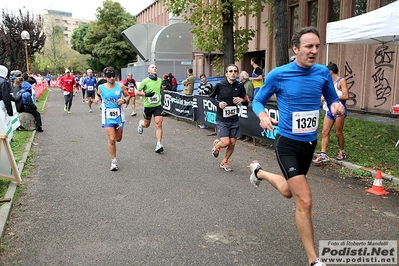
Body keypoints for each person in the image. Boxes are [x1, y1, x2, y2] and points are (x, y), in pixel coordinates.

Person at [249, 27, 344, 266]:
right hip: (287, 143)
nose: (313, 51)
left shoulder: (322, 73)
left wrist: (335, 106)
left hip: (309, 144)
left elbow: (332, 98)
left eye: (317, 47)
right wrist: (262, 115)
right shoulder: (279, 74)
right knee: (305, 199)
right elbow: (258, 101)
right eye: (308, 46)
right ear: (295, 48)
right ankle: (314, 260)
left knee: (288, 191)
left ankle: (258, 172)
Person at [209, 64, 249, 172]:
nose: (233, 73)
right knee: (225, 142)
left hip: (234, 119)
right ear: (226, 73)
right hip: (222, 118)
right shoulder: (219, 85)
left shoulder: (240, 86)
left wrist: (242, 100)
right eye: (230, 71)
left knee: (232, 142)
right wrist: (218, 104)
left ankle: (225, 161)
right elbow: (211, 97)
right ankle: (217, 144)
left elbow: (246, 101)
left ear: (237, 73)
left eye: (235, 71)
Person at [93, 67, 130, 171]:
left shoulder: (120, 86)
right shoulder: (101, 87)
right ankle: (114, 161)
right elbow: (98, 96)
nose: (112, 78)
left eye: (114, 76)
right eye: (109, 76)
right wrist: (96, 100)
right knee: (112, 139)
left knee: (118, 139)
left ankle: (114, 159)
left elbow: (128, 96)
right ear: (105, 77)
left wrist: (124, 100)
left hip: (119, 117)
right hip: (107, 117)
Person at [314, 62, 349, 163]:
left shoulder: (341, 81)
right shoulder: (329, 82)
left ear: (330, 71)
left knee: (338, 132)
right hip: (329, 110)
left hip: (340, 110)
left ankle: (342, 152)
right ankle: (323, 154)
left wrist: (331, 98)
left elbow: (346, 96)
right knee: (325, 132)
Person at [136, 64, 165, 153]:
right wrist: (146, 94)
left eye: (155, 67)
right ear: (149, 71)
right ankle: (141, 124)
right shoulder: (145, 81)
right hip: (148, 106)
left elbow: (160, 89)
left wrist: (166, 86)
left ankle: (158, 144)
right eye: (152, 67)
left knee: (159, 124)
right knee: (147, 125)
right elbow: (137, 92)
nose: (155, 68)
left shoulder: (160, 80)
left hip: (157, 105)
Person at [238, 70, 254, 141]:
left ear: (243, 77)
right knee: (241, 120)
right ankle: (242, 134)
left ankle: (248, 136)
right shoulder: (242, 84)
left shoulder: (249, 84)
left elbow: (249, 96)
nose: (239, 77)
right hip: (242, 104)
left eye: (240, 76)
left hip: (247, 104)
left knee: (247, 120)